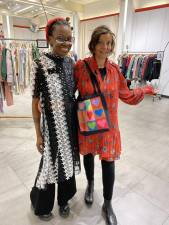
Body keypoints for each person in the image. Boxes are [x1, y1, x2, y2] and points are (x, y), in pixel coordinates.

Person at [74, 25, 156, 225]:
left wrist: (144, 91)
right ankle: (90, 184)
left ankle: (108, 204)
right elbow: (70, 92)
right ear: (93, 44)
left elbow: (126, 95)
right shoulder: (81, 67)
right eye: (101, 42)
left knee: (109, 162)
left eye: (109, 43)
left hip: (109, 126)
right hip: (89, 121)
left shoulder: (114, 70)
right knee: (89, 155)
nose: (105, 46)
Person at [30, 17, 80, 219]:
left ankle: (64, 199)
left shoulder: (71, 62)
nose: (66, 43)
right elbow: (35, 102)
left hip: (70, 123)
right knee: (50, 164)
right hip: (51, 126)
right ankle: (42, 205)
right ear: (49, 39)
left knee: (67, 160)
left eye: (69, 39)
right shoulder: (39, 63)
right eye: (61, 38)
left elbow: (73, 93)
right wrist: (38, 134)